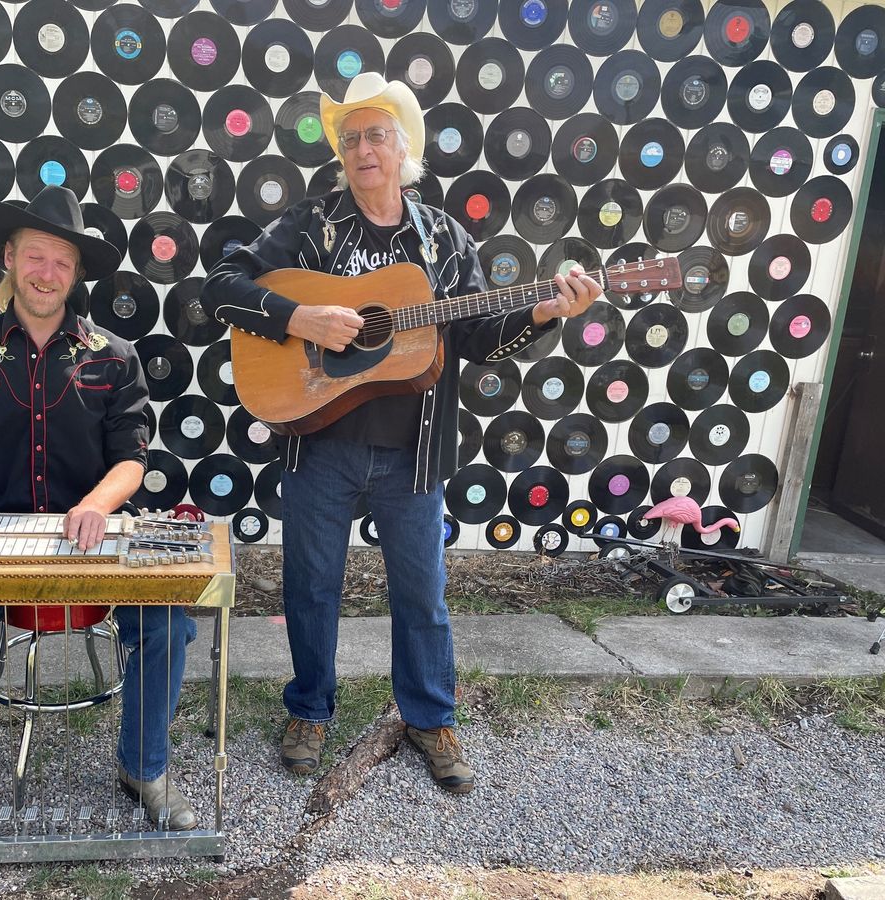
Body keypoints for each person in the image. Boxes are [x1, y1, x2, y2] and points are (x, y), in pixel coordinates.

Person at [200, 73, 602, 794]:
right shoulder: (312, 225)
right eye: (350, 138)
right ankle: (310, 709)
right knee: (311, 587)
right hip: (318, 440)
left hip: (414, 454)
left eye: (376, 135)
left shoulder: (444, 239)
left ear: (404, 146)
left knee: (422, 592)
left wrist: (545, 314)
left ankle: (429, 716)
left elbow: (479, 337)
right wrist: (299, 319)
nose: (362, 150)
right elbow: (222, 283)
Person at [0, 185, 198, 829]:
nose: (47, 273)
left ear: (77, 272)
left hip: (95, 540)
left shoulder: (115, 358)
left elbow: (132, 458)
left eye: (62, 261)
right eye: (35, 257)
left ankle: (143, 766)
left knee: (169, 628)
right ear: (9, 256)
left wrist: (94, 503)